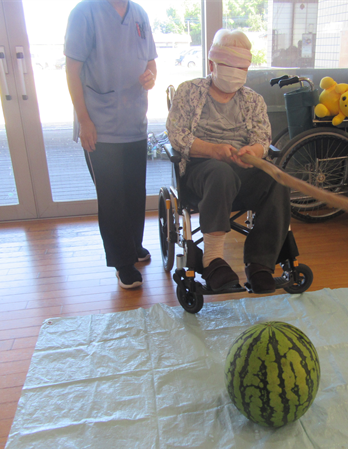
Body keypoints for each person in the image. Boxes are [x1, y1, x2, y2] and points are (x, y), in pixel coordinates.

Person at [166, 29, 291, 294]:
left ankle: (260, 264)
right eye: (228, 66)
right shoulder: (189, 91)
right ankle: (212, 260)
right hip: (202, 171)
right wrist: (213, 150)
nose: (235, 72)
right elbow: (177, 136)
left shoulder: (253, 100)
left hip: (242, 170)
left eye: (241, 67)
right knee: (220, 172)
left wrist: (253, 152)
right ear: (212, 64)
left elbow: (262, 138)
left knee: (275, 178)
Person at [64, 0, 157, 289]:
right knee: (112, 197)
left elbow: (151, 62)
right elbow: (72, 71)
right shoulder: (84, 13)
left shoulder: (139, 14)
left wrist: (151, 76)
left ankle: (133, 245)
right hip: (100, 125)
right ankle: (122, 262)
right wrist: (84, 120)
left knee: (134, 192)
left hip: (134, 122)